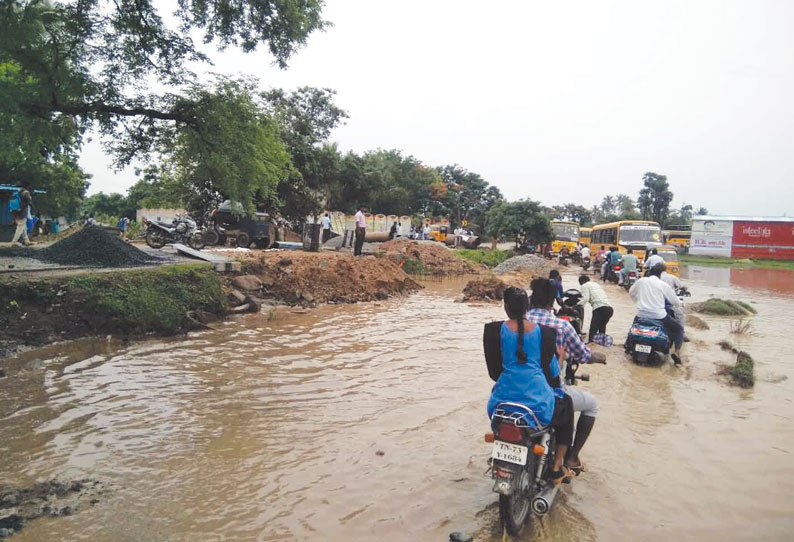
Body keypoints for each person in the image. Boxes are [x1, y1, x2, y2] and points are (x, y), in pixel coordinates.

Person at [483, 286, 576, 484]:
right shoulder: (546, 333)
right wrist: (559, 358)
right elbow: (553, 375)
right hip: (538, 406)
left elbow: (494, 372)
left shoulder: (493, 330)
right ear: (527, 307)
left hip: (500, 404)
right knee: (567, 403)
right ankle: (557, 466)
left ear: (505, 306)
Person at [527, 278, 606, 473]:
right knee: (591, 404)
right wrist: (595, 357)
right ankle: (571, 458)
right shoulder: (561, 326)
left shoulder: (515, 324)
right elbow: (582, 354)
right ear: (553, 300)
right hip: (548, 392)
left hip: (516, 389)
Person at [629, 263, 685, 365]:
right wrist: (680, 303)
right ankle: (676, 352)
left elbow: (631, 293)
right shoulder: (663, 285)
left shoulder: (641, 281)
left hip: (641, 314)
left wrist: (638, 302)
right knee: (678, 329)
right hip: (659, 316)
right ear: (661, 274)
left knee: (632, 328)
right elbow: (674, 301)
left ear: (650, 272)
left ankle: (627, 346)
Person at [578, 275, 613, 343]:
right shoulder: (596, 284)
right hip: (609, 309)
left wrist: (577, 305)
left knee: (593, 328)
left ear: (582, 282)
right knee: (602, 328)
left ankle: (591, 345)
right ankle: (601, 344)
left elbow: (585, 298)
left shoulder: (584, 285)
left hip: (600, 308)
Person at [11, 182, 34, 247]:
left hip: (16, 212)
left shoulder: (17, 193)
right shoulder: (26, 193)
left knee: (23, 227)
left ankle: (27, 241)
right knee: (20, 227)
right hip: (22, 212)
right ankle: (14, 242)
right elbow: (29, 201)